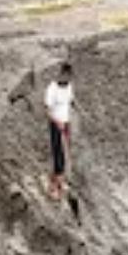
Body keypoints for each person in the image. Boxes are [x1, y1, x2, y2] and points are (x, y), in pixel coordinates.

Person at [45, 63, 75, 201]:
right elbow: (48, 111)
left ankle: (59, 183)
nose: (68, 79)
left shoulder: (69, 87)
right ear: (61, 74)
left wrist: (68, 122)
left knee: (64, 155)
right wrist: (58, 123)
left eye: (70, 76)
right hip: (55, 125)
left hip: (66, 124)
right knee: (58, 156)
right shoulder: (52, 88)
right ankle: (55, 188)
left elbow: (70, 103)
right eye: (66, 76)